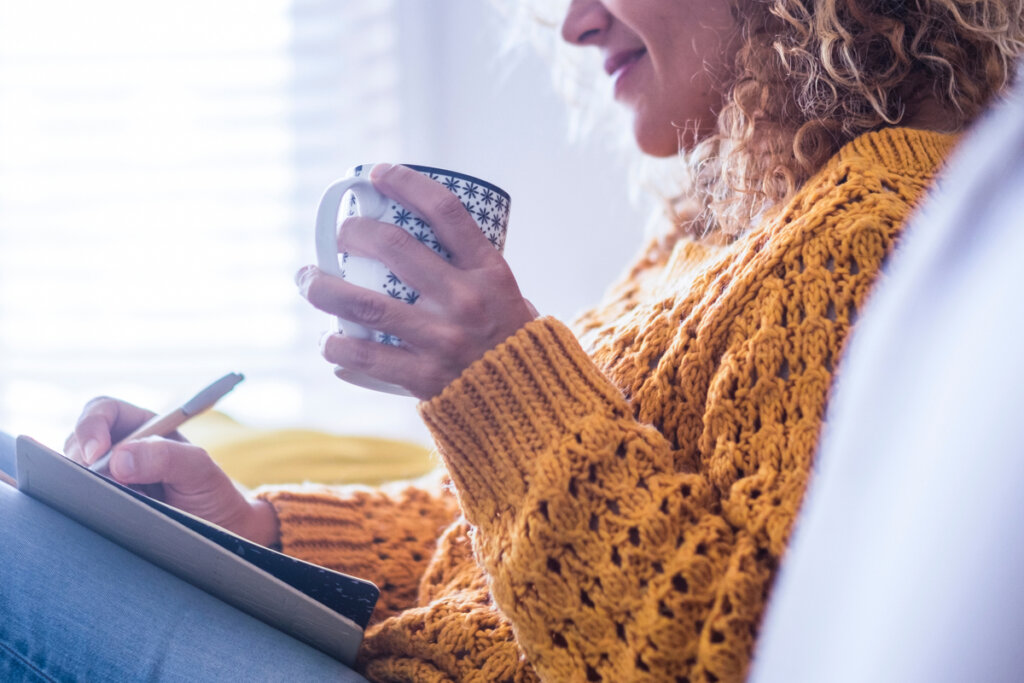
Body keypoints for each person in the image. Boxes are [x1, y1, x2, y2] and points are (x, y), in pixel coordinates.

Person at [2, 1, 1022, 681]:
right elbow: (505, 544)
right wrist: (266, 526)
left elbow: (730, 652)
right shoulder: (712, 233)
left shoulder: (879, 232)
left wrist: (498, 382)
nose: (573, 20)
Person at [749, 65, 1024, 682]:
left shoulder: (861, 226)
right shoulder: (706, 216)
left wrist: (512, 382)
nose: (576, 24)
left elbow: (770, 647)